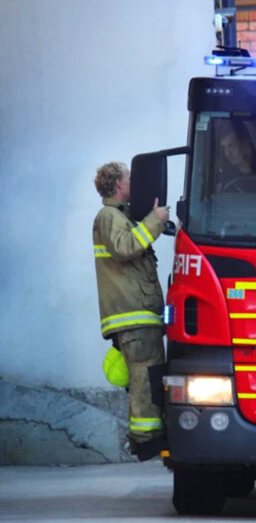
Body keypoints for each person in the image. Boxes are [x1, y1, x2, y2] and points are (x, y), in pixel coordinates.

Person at [92, 161, 169, 461]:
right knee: (144, 377)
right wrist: (153, 220)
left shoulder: (119, 216)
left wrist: (151, 221)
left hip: (137, 314)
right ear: (117, 184)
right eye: (128, 177)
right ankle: (146, 438)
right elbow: (125, 248)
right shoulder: (108, 216)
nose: (133, 181)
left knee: (146, 376)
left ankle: (148, 435)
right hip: (133, 315)